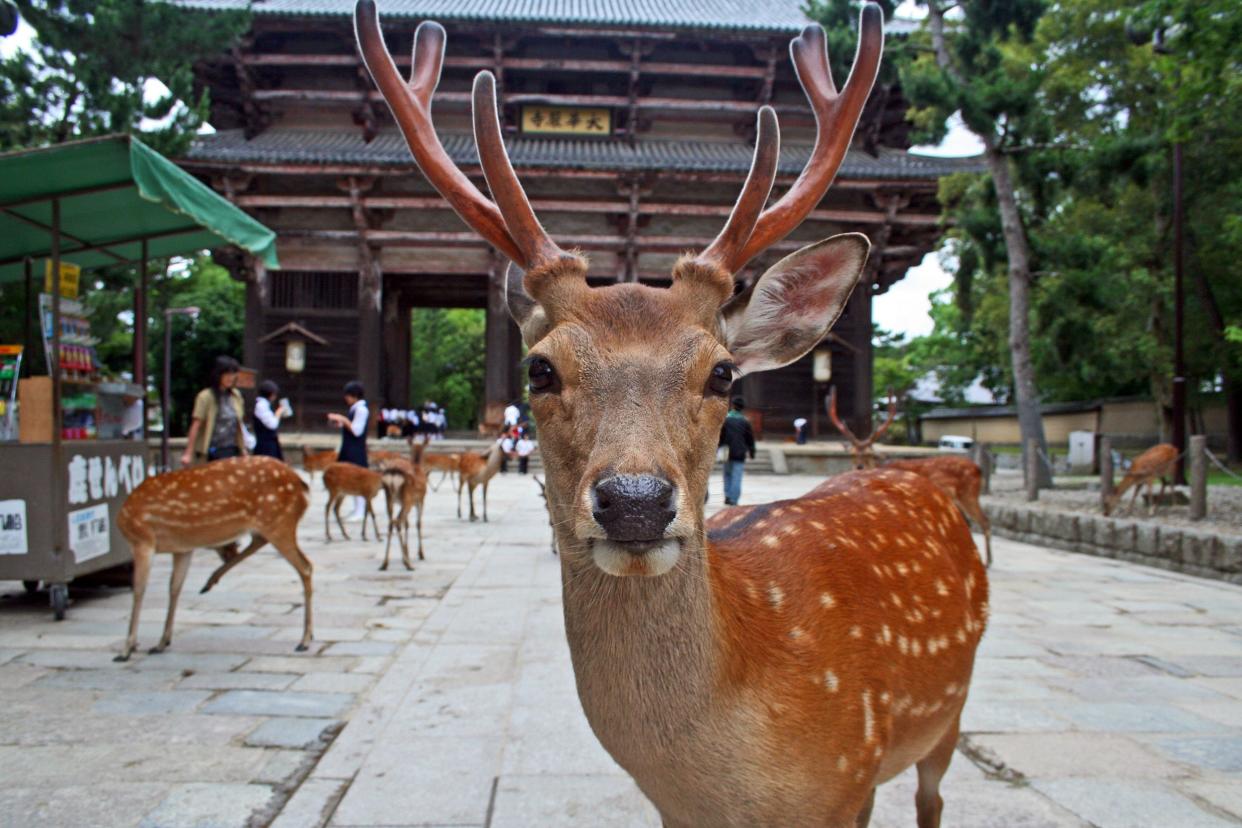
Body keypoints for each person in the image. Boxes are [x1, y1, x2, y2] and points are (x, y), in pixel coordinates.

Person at [181, 355, 247, 466]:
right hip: (212, 450)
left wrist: (243, 448)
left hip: (231, 449)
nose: (230, 377)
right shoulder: (205, 396)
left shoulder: (236, 396)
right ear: (218, 375)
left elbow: (238, 425)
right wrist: (188, 453)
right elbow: (196, 425)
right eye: (226, 374)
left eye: (233, 374)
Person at [327, 381, 370, 519]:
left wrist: (343, 419)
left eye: (348, 395)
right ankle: (357, 509)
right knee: (349, 478)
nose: (346, 398)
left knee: (357, 478)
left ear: (354, 395)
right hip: (349, 446)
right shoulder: (355, 409)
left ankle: (360, 510)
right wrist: (340, 423)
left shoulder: (362, 410)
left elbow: (357, 431)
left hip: (356, 448)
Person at [718, 396, 756, 506]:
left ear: (733, 406)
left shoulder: (726, 420)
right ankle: (734, 499)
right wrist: (752, 452)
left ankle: (728, 496)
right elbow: (750, 439)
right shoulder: (745, 422)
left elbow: (721, 436)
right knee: (737, 477)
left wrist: (719, 447)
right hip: (740, 453)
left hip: (727, 452)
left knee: (727, 475)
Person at [253, 380, 289, 460]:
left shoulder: (264, 405)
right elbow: (272, 424)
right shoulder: (261, 405)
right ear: (271, 394)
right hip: (265, 446)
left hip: (269, 444)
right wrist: (278, 413)